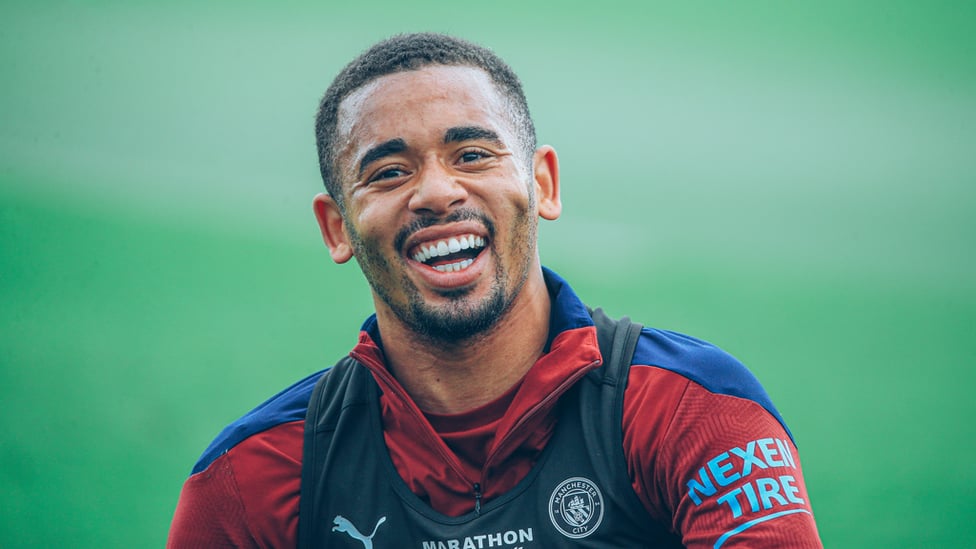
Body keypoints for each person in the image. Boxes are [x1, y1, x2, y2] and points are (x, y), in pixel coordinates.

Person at [167, 33, 822, 548]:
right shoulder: (252, 474)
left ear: (543, 184)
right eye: (389, 171)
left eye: (473, 154)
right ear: (337, 228)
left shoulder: (694, 412)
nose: (437, 192)